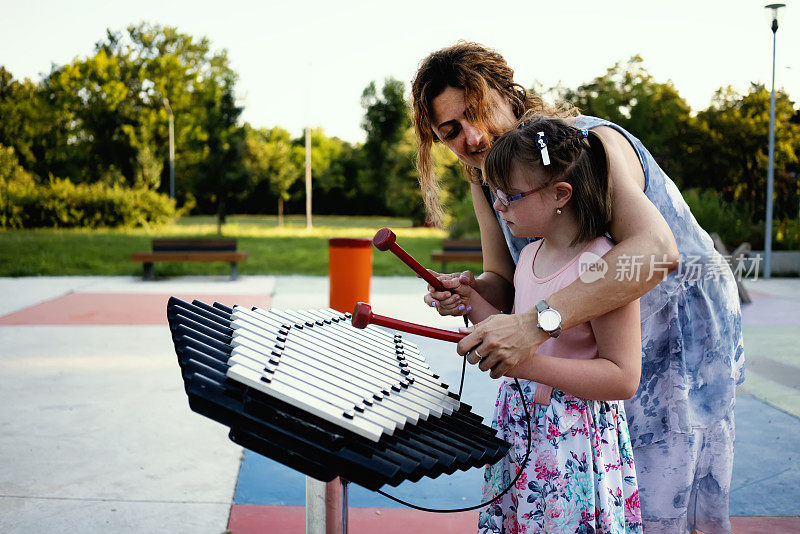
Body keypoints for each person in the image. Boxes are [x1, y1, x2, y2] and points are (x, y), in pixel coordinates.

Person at [411, 42, 744, 534]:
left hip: (679, 332)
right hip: (597, 339)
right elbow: (507, 280)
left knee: (661, 509)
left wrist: (536, 323)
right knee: (612, 499)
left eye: (477, 112)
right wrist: (470, 292)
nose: (473, 136)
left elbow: (656, 252)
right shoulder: (487, 179)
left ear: (507, 92)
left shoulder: (586, 148)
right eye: (451, 131)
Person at [465, 115, 643, 533]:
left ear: (561, 194)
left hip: (573, 444)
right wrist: (471, 301)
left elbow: (623, 378)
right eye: (495, 194)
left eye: (511, 195)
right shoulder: (528, 257)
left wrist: (524, 364)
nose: (497, 205)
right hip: (522, 430)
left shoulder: (602, 265)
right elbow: (521, 335)